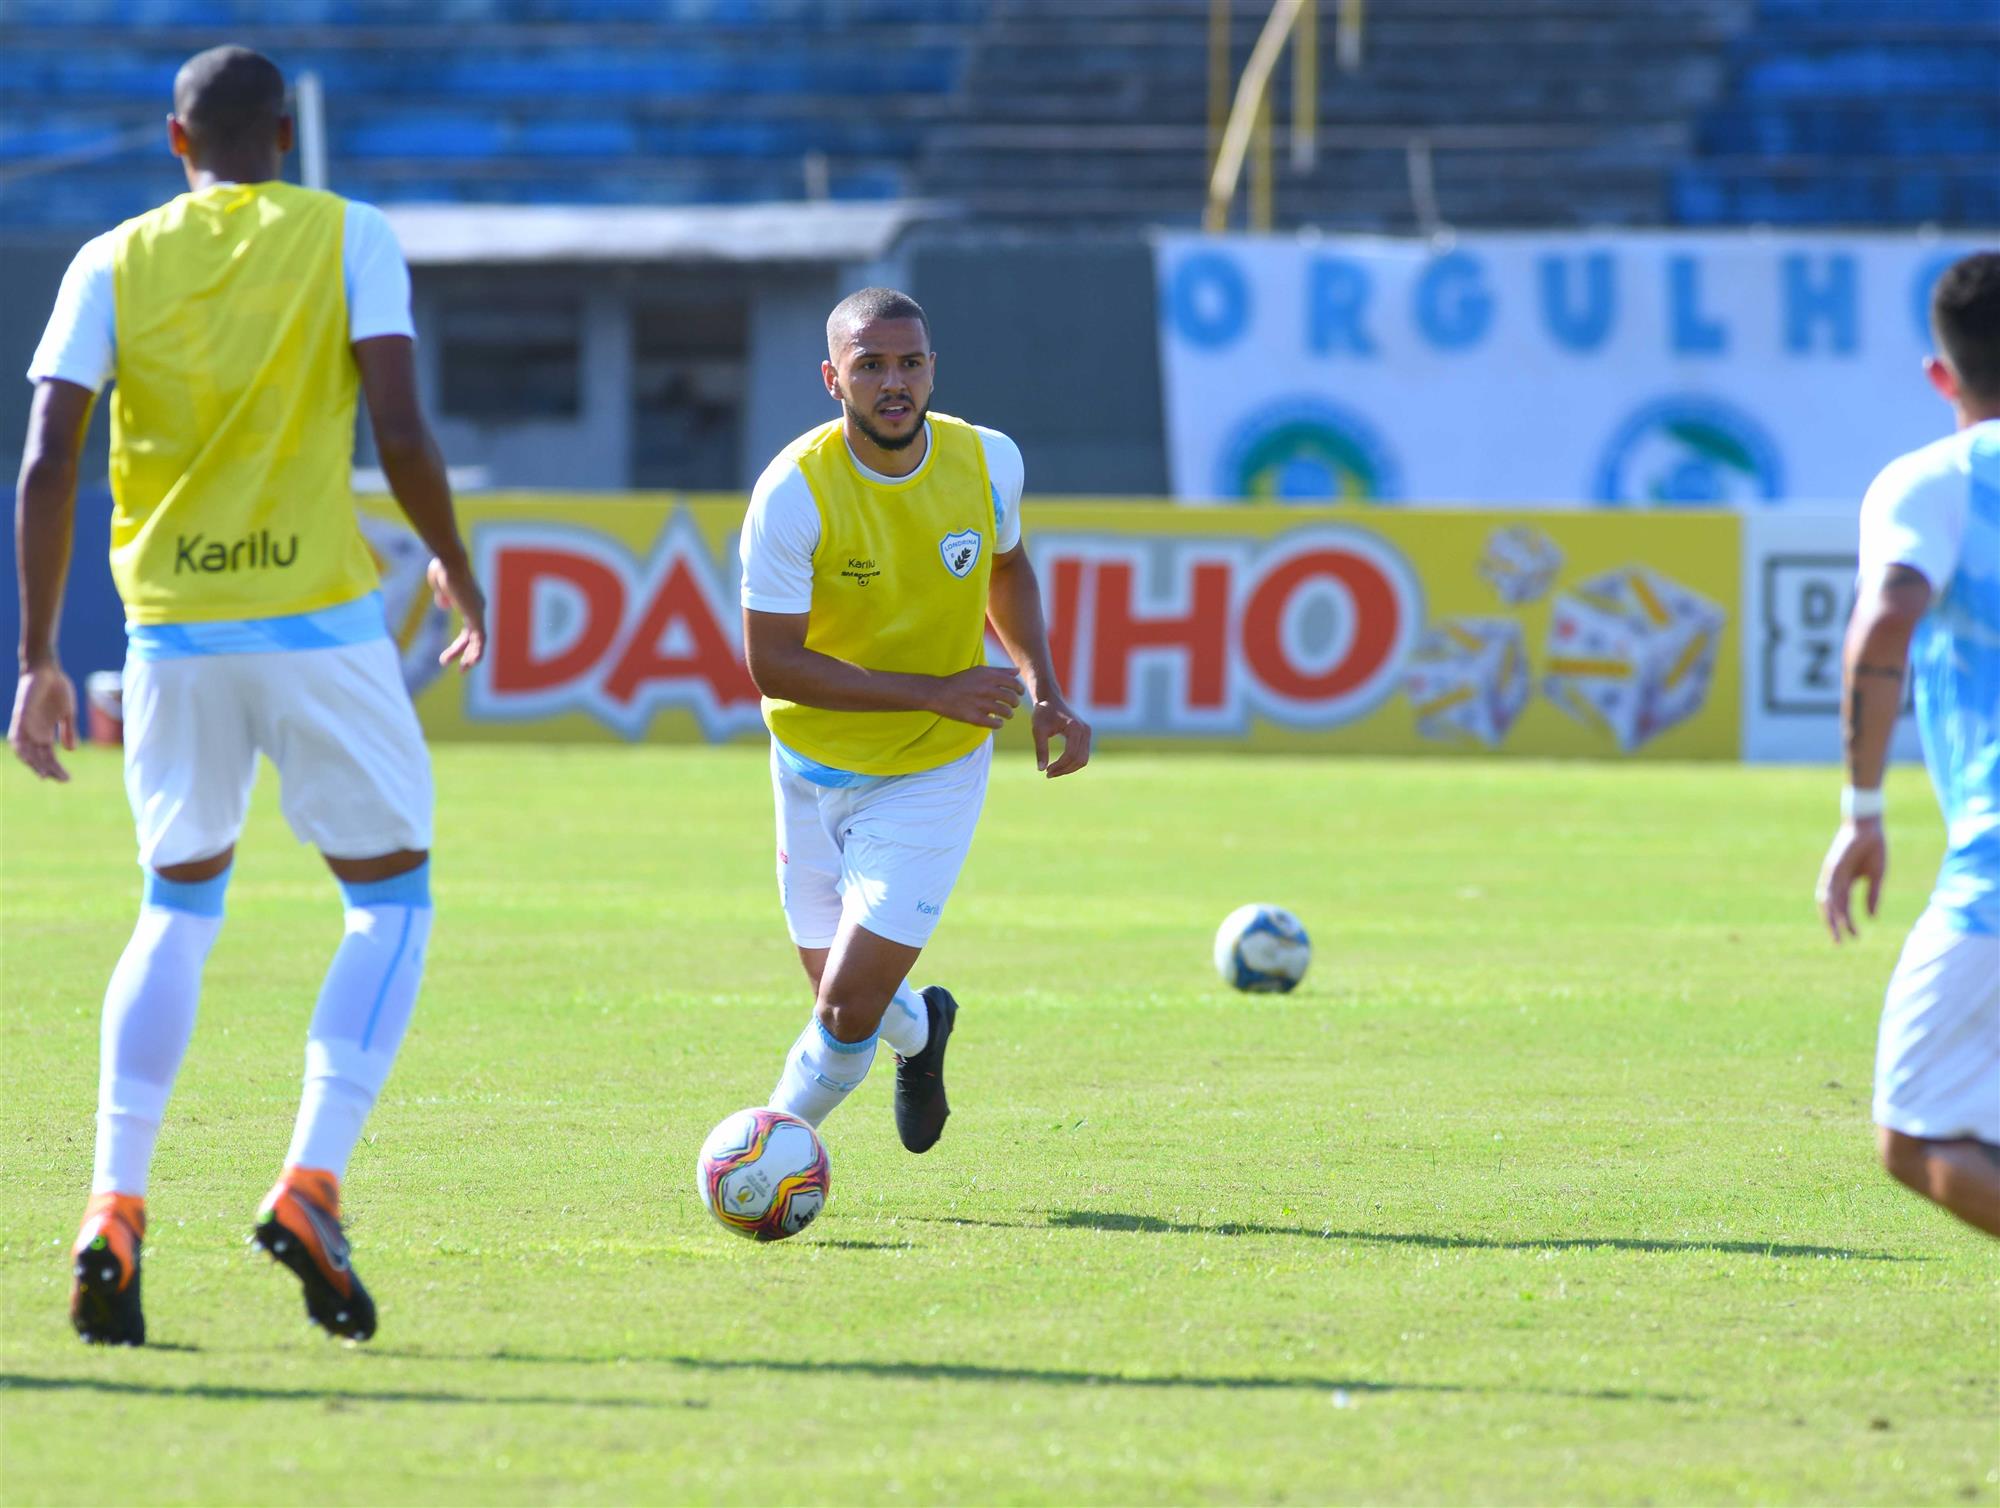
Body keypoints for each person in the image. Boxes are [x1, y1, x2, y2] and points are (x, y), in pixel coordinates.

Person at [10, 45, 487, 1344]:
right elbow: (397, 423)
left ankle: (115, 1203)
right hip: (320, 630)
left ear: (175, 141)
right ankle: (310, 1180)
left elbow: (49, 456)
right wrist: (450, 561)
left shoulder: (109, 259)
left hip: (171, 636)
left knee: (174, 908)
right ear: (286, 133)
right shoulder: (351, 234)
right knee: (389, 902)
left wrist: (40, 654)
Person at [738, 287, 1090, 1152]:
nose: (893, 382)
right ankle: (924, 1035)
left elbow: (1008, 570)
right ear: (834, 378)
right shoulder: (793, 491)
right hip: (808, 765)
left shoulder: (988, 460)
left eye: (910, 363)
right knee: (849, 1000)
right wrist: (934, 688)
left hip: (933, 768)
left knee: (843, 1008)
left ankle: (767, 1152)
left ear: (933, 368)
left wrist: (1043, 686)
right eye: (870, 366)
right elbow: (772, 662)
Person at [1816, 250, 2000, 1240]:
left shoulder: (1933, 480)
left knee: (1913, 1131)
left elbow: (1886, 618)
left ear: (1941, 375)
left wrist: (1860, 810)